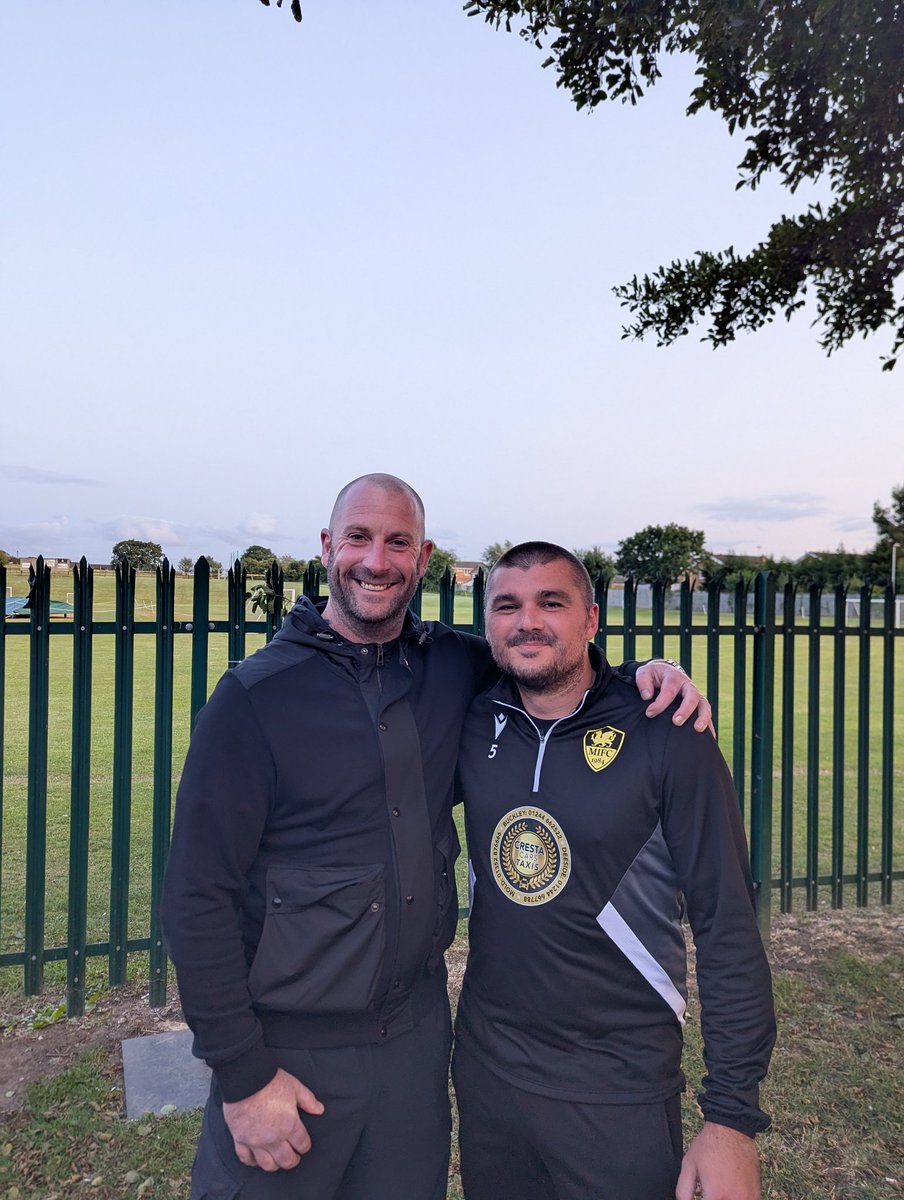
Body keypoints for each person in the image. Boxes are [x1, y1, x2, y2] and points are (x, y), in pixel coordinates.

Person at [160, 475, 712, 1200]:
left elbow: (550, 657)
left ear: (423, 560)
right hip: (288, 1053)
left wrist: (647, 675)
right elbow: (197, 899)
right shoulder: (254, 698)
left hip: (415, 1048)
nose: (376, 561)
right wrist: (241, 1076)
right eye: (358, 537)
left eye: (398, 542)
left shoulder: (453, 667)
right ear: (328, 547)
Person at [452, 541, 776, 1200]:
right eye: (507, 606)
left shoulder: (666, 727)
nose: (528, 621)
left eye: (552, 603)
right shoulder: (471, 714)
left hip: (616, 1082)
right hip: (488, 1072)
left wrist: (732, 1121)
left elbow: (726, 922)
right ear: (486, 623)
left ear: (592, 620)